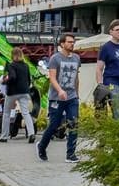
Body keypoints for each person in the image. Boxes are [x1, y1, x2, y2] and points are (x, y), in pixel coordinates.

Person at [37, 34, 82, 163]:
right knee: (54, 125)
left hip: (72, 97)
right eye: (69, 42)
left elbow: (76, 78)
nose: (72, 44)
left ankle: (71, 154)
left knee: (73, 124)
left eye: (73, 42)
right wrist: (60, 90)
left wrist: (77, 94)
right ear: (62, 44)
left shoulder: (76, 58)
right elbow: (52, 78)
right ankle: (42, 146)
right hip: (57, 97)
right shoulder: (55, 59)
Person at [0, 48, 34, 143]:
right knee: (25, 113)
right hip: (24, 91)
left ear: (12, 55)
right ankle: (31, 133)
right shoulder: (26, 66)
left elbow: (13, 77)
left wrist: (4, 81)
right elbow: (29, 79)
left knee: (6, 113)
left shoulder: (11, 65)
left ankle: (4, 136)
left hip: (13, 92)